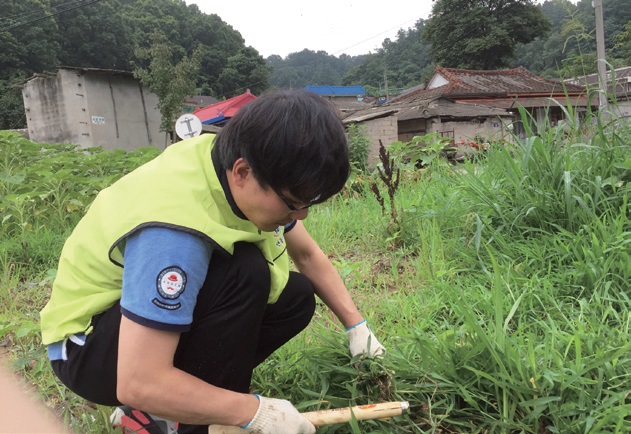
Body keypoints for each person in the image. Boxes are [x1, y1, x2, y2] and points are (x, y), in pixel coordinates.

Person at [40, 88, 385, 434]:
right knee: (244, 271)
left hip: (132, 326)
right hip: (89, 350)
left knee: (293, 297)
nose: (302, 215)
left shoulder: (230, 161)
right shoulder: (173, 233)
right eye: (294, 202)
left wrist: (357, 327)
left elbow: (306, 254)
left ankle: (166, 410)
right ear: (242, 172)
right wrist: (252, 412)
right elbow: (137, 381)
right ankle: (194, 422)